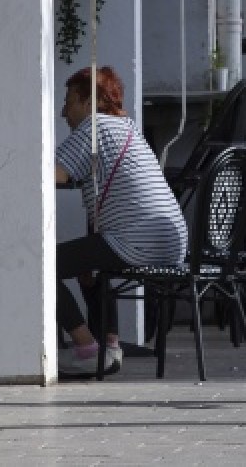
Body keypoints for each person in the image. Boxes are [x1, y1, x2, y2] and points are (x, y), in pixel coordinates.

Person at [54, 66, 187, 378]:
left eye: (69, 101)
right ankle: (109, 346)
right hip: (170, 241)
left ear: (91, 102)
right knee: (89, 265)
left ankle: (87, 349)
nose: (63, 111)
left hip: (139, 239)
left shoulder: (94, 128)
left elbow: (54, 175)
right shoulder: (127, 128)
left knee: (42, 267)